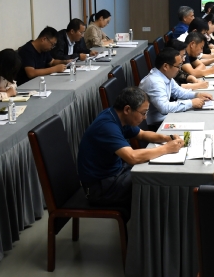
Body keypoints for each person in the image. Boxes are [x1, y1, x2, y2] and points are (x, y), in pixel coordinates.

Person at [76, 87, 185, 216]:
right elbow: (132, 157)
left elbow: (142, 134)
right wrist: (166, 148)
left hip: (116, 173)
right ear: (127, 109)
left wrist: (167, 138)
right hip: (101, 187)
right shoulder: (107, 126)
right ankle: (152, 226)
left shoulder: (118, 116)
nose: (145, 117)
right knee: (156, 183)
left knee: (156, 173)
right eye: (143, 113)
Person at [139, 48, 214, 130]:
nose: (179, 69)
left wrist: (197, 95)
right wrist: (191, 103)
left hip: (166, 118)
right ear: (166, 66)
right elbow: (164, 108)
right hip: (156, 126)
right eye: (178, 66)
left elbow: (178, 92)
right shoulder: (155, 82)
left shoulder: (165, 75)